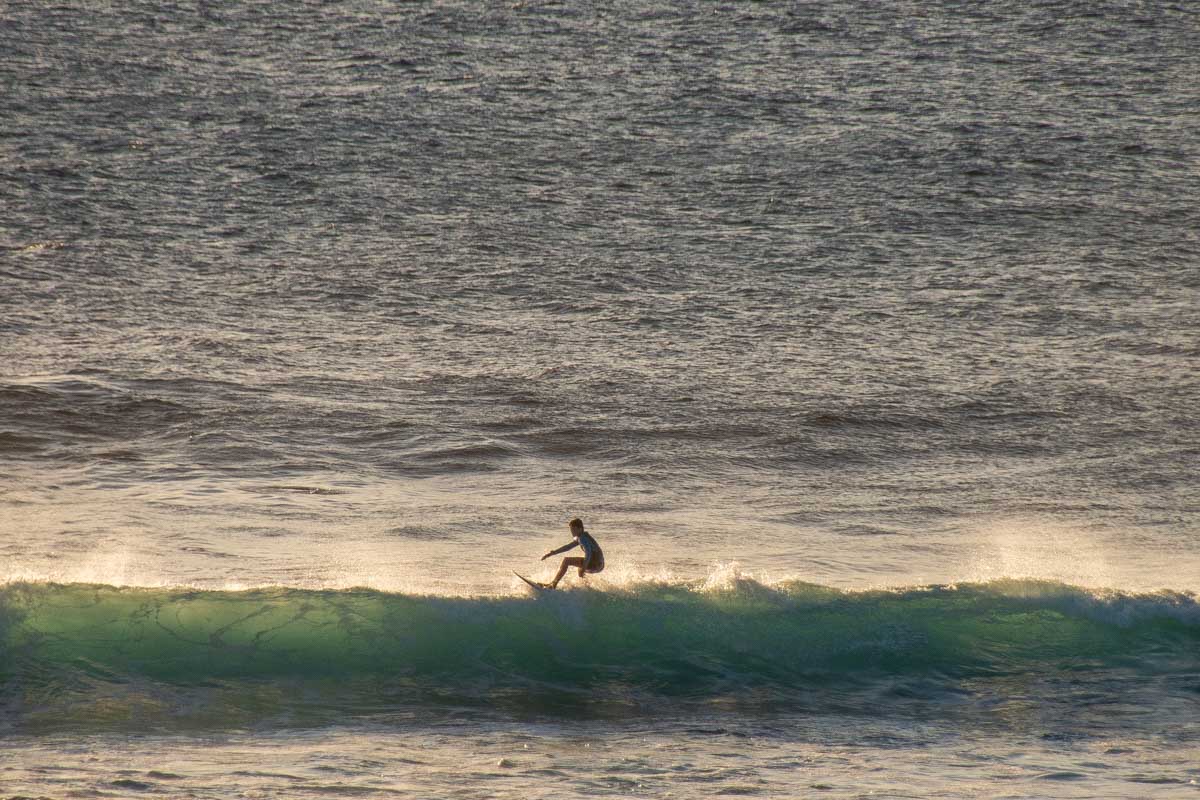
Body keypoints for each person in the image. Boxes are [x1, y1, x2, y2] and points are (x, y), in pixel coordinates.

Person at [540, 517, 604, 589]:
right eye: (571, 530)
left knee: (567, 561)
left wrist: (584, 567)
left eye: (573, 529)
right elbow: (568, 547)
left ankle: (553, 585)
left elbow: (588, 552)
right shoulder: (583, 537)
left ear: (580, 529)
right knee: (580, 570)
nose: (572, 532)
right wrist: (552, 553)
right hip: (600, 565)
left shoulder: (582, 538)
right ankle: (587, 588)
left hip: (595, 563)